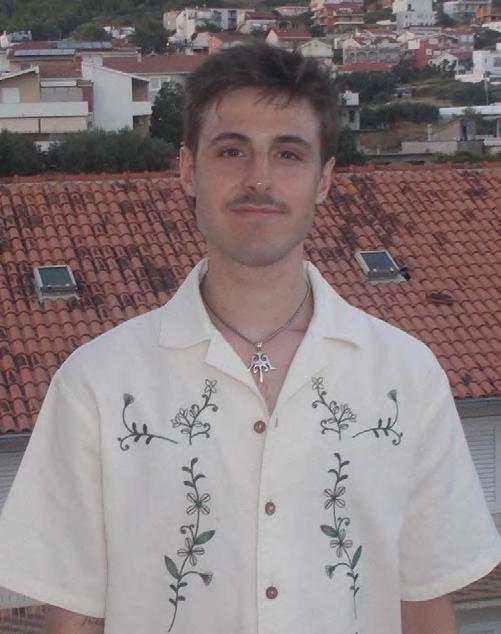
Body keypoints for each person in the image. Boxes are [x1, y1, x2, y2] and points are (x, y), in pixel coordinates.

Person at [0, 42, 498, 634]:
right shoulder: (97, 386)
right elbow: (76, 616)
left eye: (288, 154)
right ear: (189, 169)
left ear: (324, 179)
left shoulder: (407, 379)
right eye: (232, 150)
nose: (259, 179)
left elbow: (424, 605)